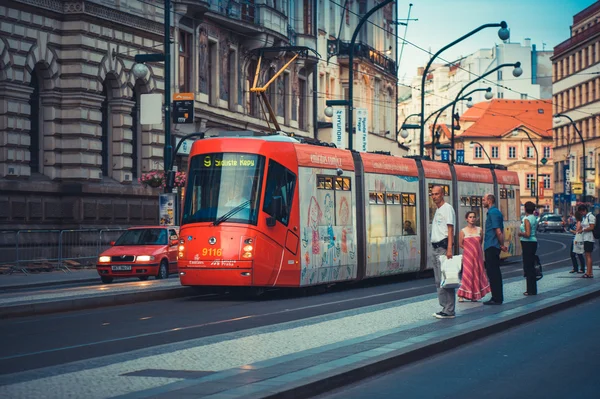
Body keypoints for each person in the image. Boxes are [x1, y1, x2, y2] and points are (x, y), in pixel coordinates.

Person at [430, 185, 456, 319]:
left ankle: (449, 309)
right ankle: (444, 307)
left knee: (446, 279)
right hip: (435, 248)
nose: (434, 197)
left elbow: (450, 230)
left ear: (442, 194)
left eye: (436, 194)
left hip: (443, 248)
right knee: (438, 280)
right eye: (432, 194)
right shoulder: (438, 210)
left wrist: (449, 249)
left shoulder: (447, 209)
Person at [457, 211, 490, 302]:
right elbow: (460, 244)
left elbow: (480, 241)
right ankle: (462, 294)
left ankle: (475, 294)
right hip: (468, 257)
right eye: (470, 217)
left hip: (478, 256)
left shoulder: (479, 230)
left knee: (477, 274)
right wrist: (469, 249)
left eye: (473, 217)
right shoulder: (463, 231)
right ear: (466, 219)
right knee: (467, 275)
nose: (472, 219)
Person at [483, 193, 507, 305]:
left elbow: (498, 231)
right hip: (492, 245)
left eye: (483, 200)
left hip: (492, 246)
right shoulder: (494, 212)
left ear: (489, 201)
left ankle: (496, 298)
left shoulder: (493, 213)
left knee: (493, 273)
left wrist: (502, 244)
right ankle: (497, 296)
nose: (482, 202)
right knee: (494, 272)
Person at [518, 201, 539, 295]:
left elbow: (528, 233)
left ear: (525, 209)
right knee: (531, 266)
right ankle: (533, 289)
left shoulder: (526, 219)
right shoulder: (534, 218)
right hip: (533, 242)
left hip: (527, 243)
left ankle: (530, 290)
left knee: (528, 267)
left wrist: (520, 234)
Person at [576, 204, 596, 278]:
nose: (581, 214)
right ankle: (589, 272)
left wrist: (583, 230)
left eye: (581, 212)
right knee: (587, 255)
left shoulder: (590, 216)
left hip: (589, 238)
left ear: (584, 210)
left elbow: (591, 227)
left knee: (588, 255)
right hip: (585, 238)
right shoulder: (585, 217)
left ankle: (589, 272)